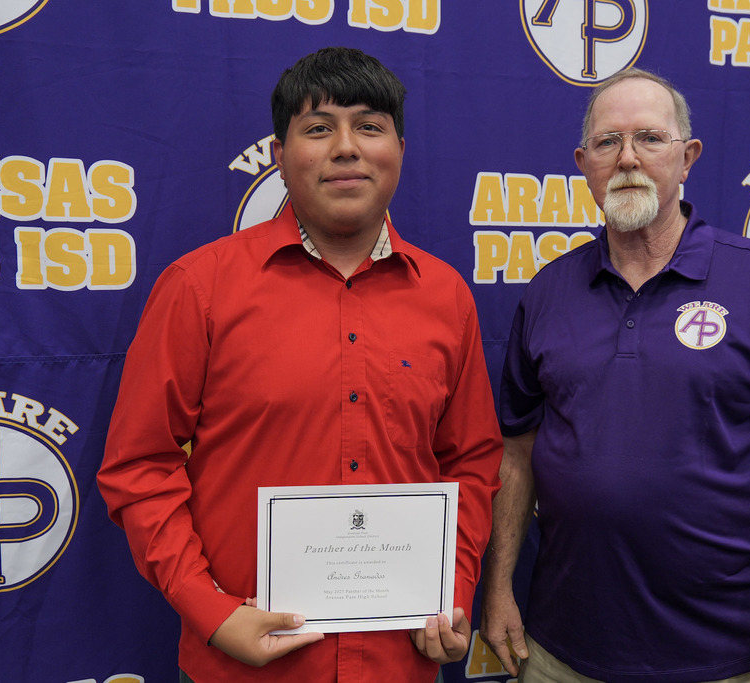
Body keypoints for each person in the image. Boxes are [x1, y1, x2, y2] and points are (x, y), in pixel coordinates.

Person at [97, 47, 502, 683]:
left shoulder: (446, 294)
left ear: (399, 147)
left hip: (401, 661)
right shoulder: (198, 287)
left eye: (369, 126)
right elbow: (139, 465)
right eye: (318, 128)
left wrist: (453, 591)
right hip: (240, 666)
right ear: (280, 157)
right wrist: (213, 612)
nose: (347, 147)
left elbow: (471, 459)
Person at [480, 68, 750, 683]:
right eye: (608, 143)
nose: (628, 158)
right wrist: (499, 586)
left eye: (650, 139)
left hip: (728, 656)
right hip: (561, 651)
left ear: (686, 158)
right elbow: (518, 451)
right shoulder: (549, 292)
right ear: (584, 164)